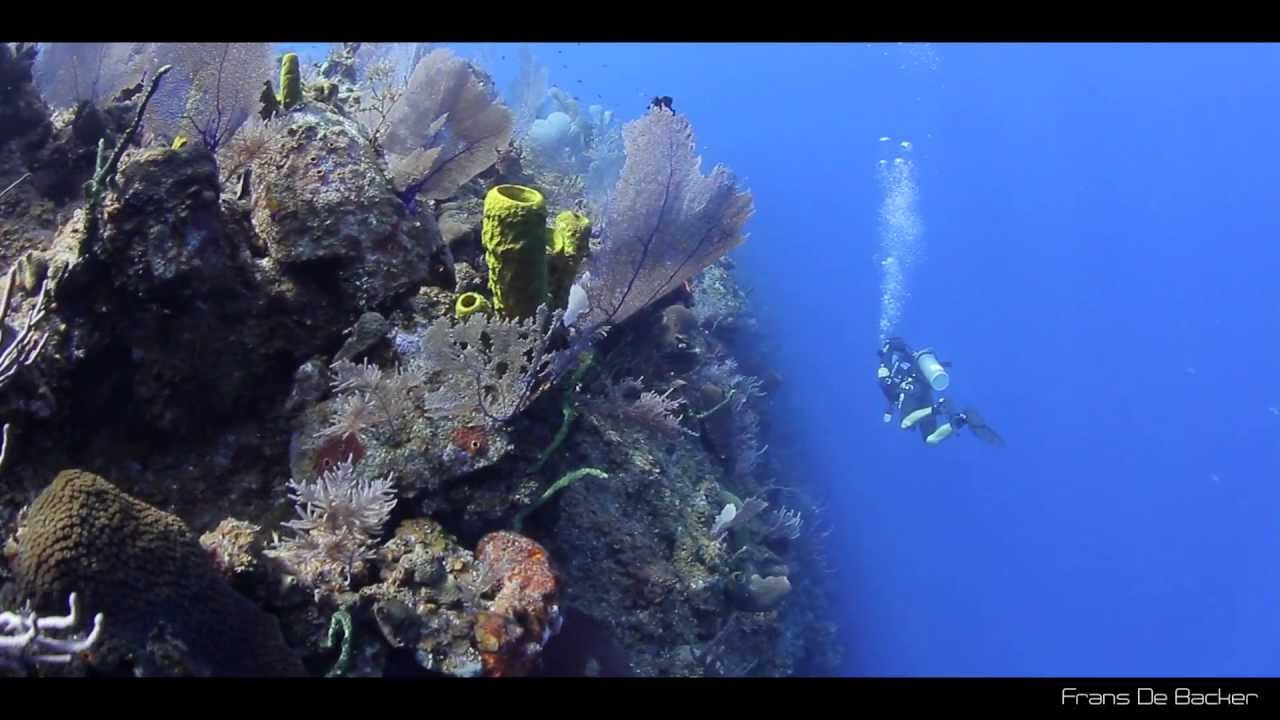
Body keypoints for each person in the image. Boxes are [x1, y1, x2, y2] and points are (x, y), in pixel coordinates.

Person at [876, 337, 1004, 447]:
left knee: (905, 424)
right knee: (930, 439)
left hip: (910, 388)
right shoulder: (910, 358)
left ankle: (937, 409)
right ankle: (961, 419)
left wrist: (883, 366)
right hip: (924, 390)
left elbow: (885, 383)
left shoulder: (890, 362)